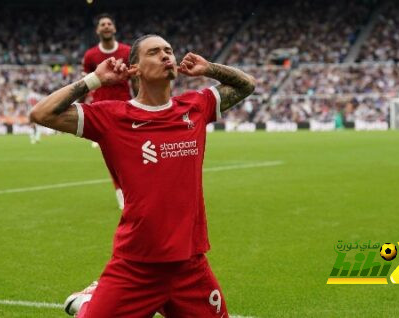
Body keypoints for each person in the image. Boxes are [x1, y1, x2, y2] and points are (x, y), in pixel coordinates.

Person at [30, 34, 255, 317]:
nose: (166, 56)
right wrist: (95, 80)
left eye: (169, 50)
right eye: (154, 52)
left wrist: (209, 68)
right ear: (134, 68)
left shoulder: (196, 106)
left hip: (190, 265)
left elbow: (247, 84)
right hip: (135, 267)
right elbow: (42, 113)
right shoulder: (112, 117)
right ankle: (87, 302)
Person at [81, 13, 134, 210]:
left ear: (114, 28)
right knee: (111, 153)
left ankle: (129, 188)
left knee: (130, 152)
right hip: (100, 111)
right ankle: (121, 191)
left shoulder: (127, 52)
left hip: (124, 108)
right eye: (102, 24)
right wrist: (80, 105)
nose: (105, 26)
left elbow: (135, 81)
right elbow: (85, 84)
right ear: (97, 30)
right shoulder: (90, 56)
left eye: (109, 23)